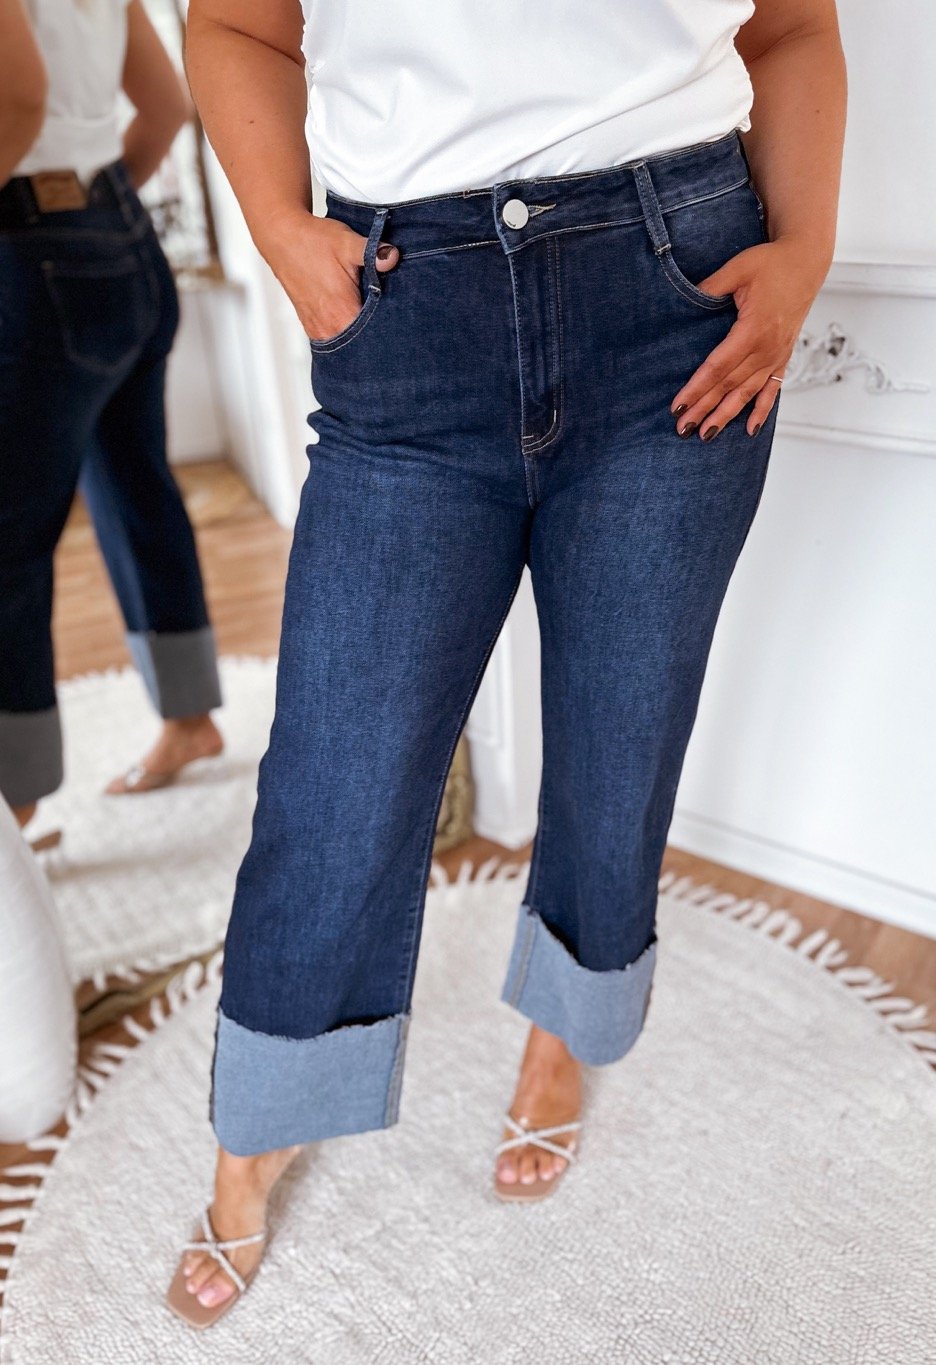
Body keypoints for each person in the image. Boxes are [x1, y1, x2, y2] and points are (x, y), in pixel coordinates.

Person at [169, 0, 846, 1327]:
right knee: (338, 779)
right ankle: (261, 1124)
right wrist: (278, 228)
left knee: (621, 735)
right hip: (406, 300)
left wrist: (806, 249)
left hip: (678, 294)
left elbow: (793, 29)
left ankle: (561, 1038)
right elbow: (236, 25)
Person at [0, 0, 224, 836]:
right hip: (124, 238)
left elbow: (20, 100)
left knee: (9, 541)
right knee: (138, 489)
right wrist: (95, 215)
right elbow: (166, 104)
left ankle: (15, 801)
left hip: (31, 251)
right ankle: (189, 717)